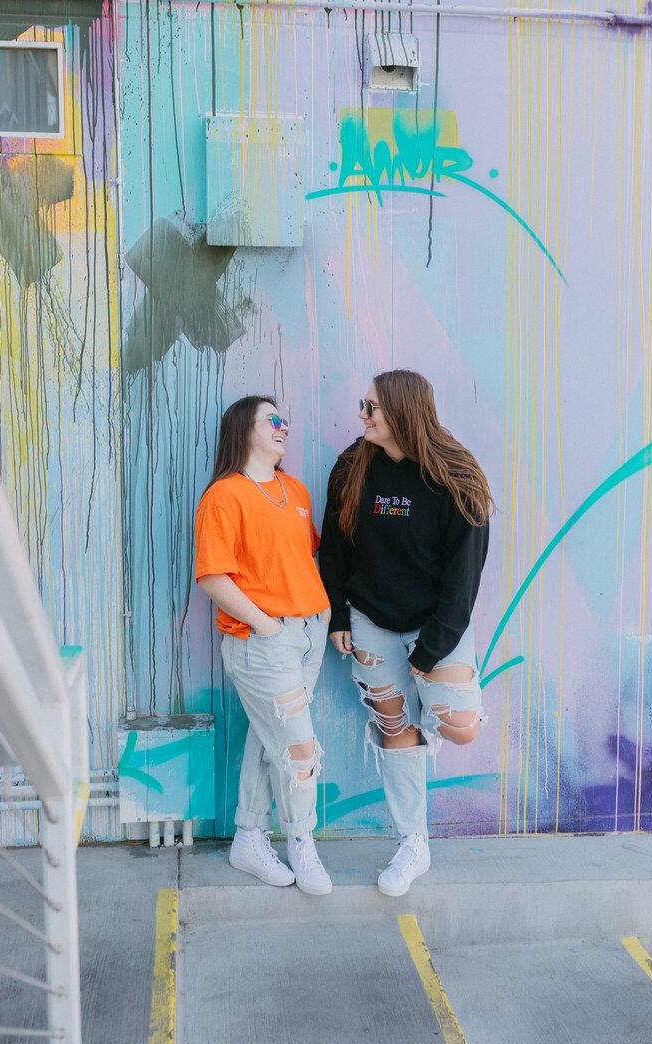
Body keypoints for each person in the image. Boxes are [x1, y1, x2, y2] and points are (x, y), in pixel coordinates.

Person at [319, 370, 493, 896]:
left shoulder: (456, 476)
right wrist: (340, 615)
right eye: (363, 405)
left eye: (371, 407)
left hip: (435, 621)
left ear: (402, 412)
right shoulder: (352, 467)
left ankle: (430, 708)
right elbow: (334, 548)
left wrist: (431, 649)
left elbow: (465, 575)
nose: (362, 415)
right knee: (395, 728)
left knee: (459, 724)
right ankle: (413, 842)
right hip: (371, 619)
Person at [195, 395, 333, 895]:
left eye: (286, 420)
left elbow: (304, 557)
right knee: (297, 748)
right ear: (244, 429)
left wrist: (317, 614)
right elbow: (212, 574)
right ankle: (302, 841)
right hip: (263, 639)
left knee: (270, 734)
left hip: (308, 631)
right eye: (272, 419)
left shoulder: (294, 490)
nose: (284, 426)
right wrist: (266, 625)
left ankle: (248, 837)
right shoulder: (224, 496)